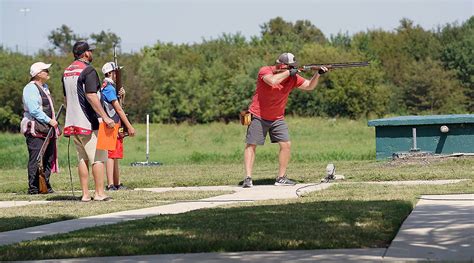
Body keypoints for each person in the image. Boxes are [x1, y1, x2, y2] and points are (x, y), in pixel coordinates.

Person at [242, 52, 328, 188]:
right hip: (258, 115)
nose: (293, 68)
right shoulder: (265, 70)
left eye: (293, 67)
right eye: (290, 66)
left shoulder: (293, 77)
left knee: (286, 145)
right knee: (251, 144)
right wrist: (289, 73)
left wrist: (318, 74)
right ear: (282, 65)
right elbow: (272, 81)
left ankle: (281, 178)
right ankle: (248, 178)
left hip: (277, 117)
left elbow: (309, 86)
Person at [62, 41, 115, 202]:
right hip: (88, 122)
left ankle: (85, 194)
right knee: (98, 158)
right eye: (90, 51)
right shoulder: (88, 70)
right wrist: (105, 117)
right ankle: (99, 193)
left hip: (72, 122)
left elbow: (66, 98)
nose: (92, 53)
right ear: (85, 53)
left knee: (82, 159)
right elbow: (91, 95)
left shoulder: (67, 71)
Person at [20, 62, 58, 194]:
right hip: (36, 128)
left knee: (48, 158)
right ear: (37, 74)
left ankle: (45, 185)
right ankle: (34, 187)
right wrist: (49, 120)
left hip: (46, 128)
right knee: (36, 158)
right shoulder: (30, 88)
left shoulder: (44, 87)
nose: (48, 72)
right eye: (45, 70)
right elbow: (34, 110)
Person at [100, 62, 136, 191]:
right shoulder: (109, 88)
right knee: (110, 155)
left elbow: (118, 106)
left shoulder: (108, 87)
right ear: (110, 73)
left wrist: (122, 97)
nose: (117, 75)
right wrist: (129, 126)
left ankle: (117, 183)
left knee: (114, 155)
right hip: (111, 124)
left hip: (112, 124)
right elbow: (119, 110)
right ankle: (111, 184)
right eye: (115, 72)